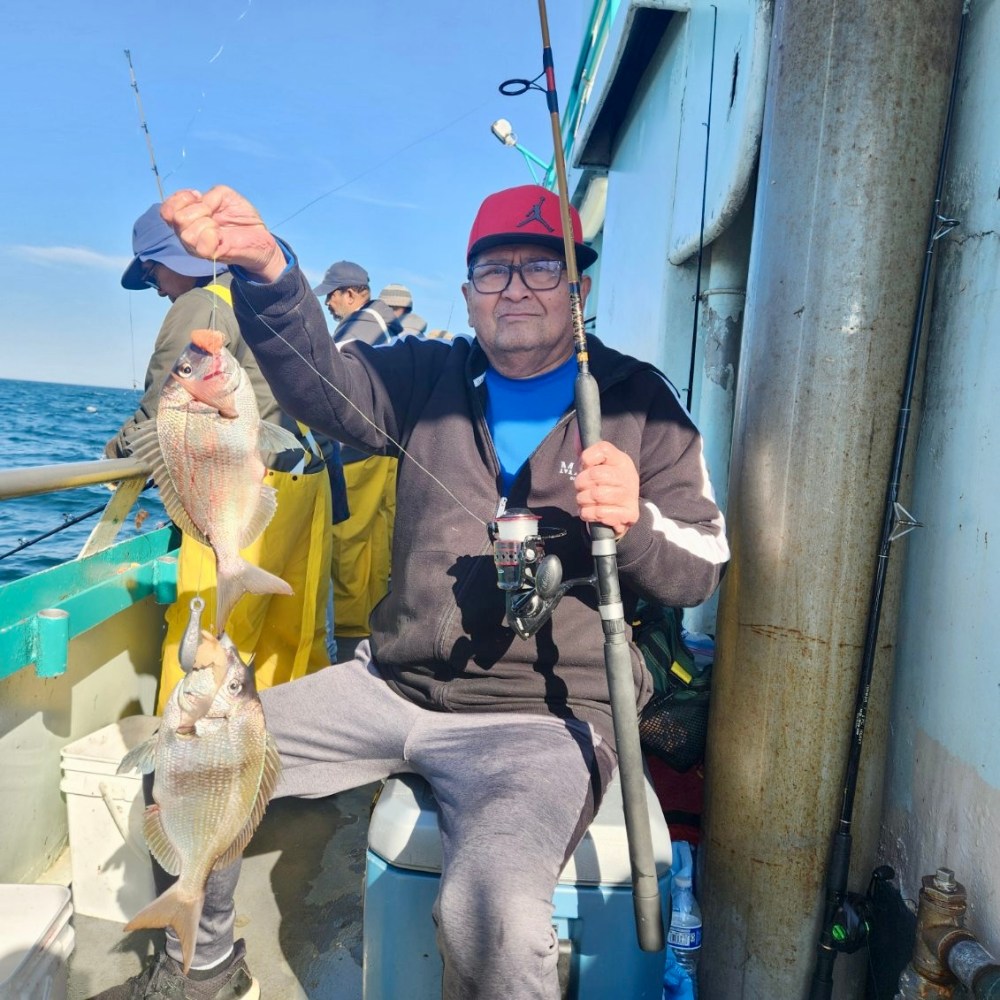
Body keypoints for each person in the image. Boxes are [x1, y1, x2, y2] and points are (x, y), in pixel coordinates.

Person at [91, 182, 729, 1000]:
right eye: (494, 274)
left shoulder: (643, 402)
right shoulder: (430, 373)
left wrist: (632, 521)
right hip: (389, 685)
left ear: (580, 291)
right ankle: (206, 970)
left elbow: (702, 566)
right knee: (187, 761)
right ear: (468, 296)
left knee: (489, 912)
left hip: (543, 721)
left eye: (542, 269)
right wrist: (264, 268)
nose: (517, 290)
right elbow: (318, 386)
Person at [107, 203, 337, 709]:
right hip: (306, 480)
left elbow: (160, 411)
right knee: (292, 633)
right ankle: (279, 757)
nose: (157, 287)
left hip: (240, 487)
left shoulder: (197, 306)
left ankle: (188, 763)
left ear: (175, 258)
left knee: (207, 635)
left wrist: (113, 456)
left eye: (152, 271)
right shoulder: (263, 296)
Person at [313, 260, 400, 661]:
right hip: (384, 450)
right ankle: (368, 619)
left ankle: (347, 634)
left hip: (356, 451)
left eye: (331, 296)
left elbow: (332, 387)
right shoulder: (387, 323)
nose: (329, 306)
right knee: (373, 539)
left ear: (352, 293)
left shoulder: (360, 327)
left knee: (347, 540)